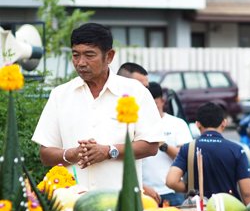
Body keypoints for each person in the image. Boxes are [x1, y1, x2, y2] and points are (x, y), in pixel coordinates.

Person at [32, 23, 162, 190]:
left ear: (109, 56)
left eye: (89, 55)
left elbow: (150, 146)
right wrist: (71, 154)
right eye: (75, 55)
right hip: (72, 202)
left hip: (121, 201)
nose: (81, 63)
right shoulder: (60, 94)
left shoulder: (136, 92)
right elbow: (45, 153)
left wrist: (109, 151)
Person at [166, 102, 250, 205]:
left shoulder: (188, 148)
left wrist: (191, 188)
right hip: (229, 210)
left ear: (197, 124)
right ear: (224, 123)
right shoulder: (236, 149)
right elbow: (247, 193)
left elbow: (171, 181)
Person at [142, 82, 193, 206]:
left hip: (171, 191)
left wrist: (162, 145)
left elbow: (186, 158)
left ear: (162, 101)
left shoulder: (177, 124)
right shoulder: (135, 125)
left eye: (154, 103)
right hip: (144, 191)